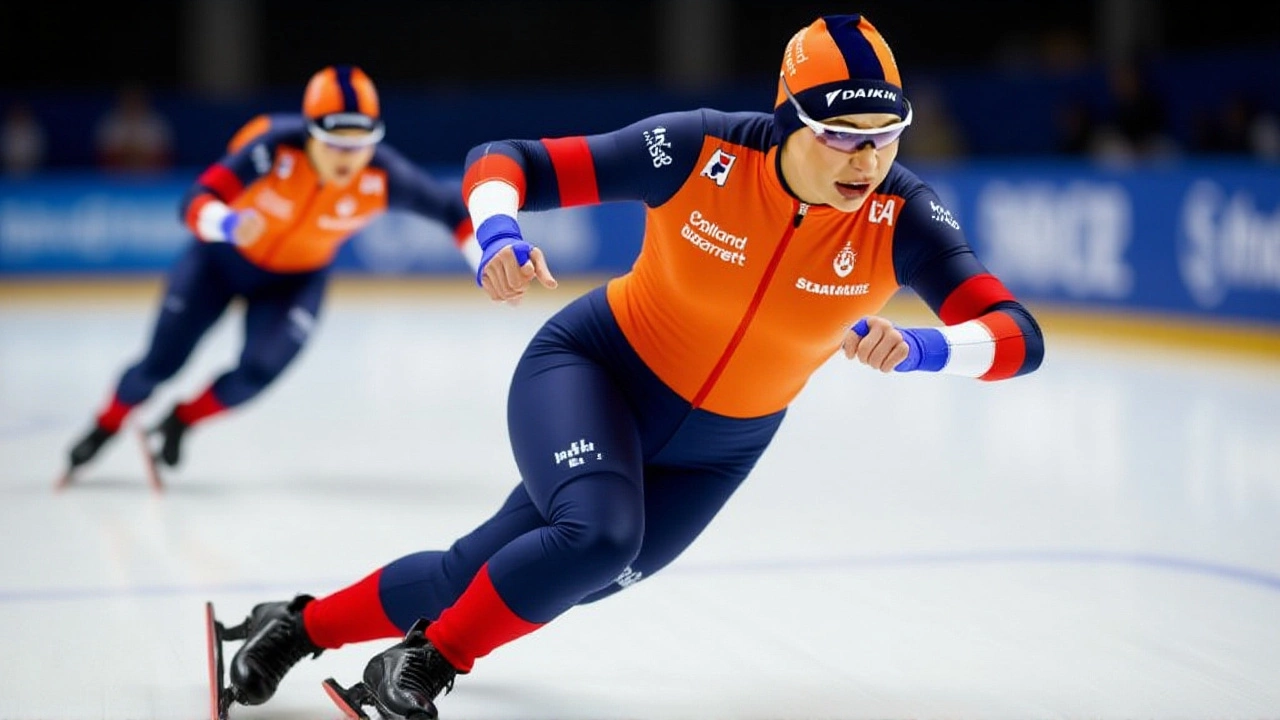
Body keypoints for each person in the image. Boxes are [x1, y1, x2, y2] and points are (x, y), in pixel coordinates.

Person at [210, 15, 1045, 720]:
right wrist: (499, 233)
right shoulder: (701, 150)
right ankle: (419, 669)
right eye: (840, 137)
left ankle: (295, 624)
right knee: (600, 538)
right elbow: (507, 160)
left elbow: (1017, 336)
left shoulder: (904, 215)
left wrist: (928, 347)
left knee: (501, 574)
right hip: (594, 371)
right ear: (789, 119)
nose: (866, 161)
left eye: (883, 136)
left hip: (719, 449)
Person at [62, 65, 480, 485]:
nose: (348, 158)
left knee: (258, 373)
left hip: (293, 283)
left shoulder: (383, 175)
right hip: (219, 264)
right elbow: (194, 201)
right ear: (310, 132)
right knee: (159, 365)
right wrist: (227, 224)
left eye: (361, 144)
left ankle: (180, 421)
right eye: (335, 143)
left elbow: (451, 208)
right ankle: (105, 425)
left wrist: (484, 258)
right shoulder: (271, 148)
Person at [93, 84, 175, 172]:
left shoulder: (156, 123)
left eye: (136, 99)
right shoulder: (110, 122)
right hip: (115, 178)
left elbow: (165, 157)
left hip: (152, 178)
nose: (132, 103)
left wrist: (139, 157)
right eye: (128, 99)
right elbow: (102, 157)